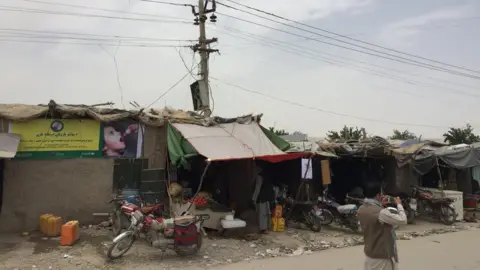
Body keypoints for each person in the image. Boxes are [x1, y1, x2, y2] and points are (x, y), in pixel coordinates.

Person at [357, 181, 407, 270]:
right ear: (377, 195)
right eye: (381, 193)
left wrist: (380, 205)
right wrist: (399, 204)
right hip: (382, 256)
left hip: (369, 253)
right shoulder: (381, 212)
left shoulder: (361, 209)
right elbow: (403, 220)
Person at [252, 165, 274, 234]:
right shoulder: (268, 176)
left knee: (262, 214)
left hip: (261, 198)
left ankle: (262, 229)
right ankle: (267, 227)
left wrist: (254, 198)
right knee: (267, 213)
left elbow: (257, 188)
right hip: (268, 198)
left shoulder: (259, 176)